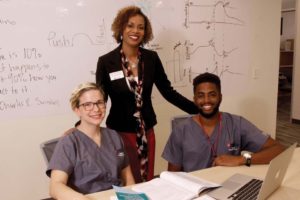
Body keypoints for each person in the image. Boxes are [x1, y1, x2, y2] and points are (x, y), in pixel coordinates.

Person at [96, 6, 198, 182]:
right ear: (121, 28)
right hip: (119, 133)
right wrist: (82, 126)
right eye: (130, 25)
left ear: (145, 31)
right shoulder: (106, 62)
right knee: (124, 180)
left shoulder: (151, 58)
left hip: (146, 131)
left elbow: (167, 91)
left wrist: (196, 110)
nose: (135, 31)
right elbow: (100, 99)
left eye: (141, 27)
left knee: (146, 178)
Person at [162, 72, 285, 172]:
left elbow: (278, 149)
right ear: (194, 99)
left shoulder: (237, 124)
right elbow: (173, 177)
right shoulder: (181, 130)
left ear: (220, 97)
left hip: (228, 187)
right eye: (201, 95)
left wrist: (241, 159)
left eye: (212, 95)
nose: (206, 100)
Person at [46, 82, 135, 200]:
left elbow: (128, 179)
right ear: (77, 110)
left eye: (100, 103)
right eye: (87, 104)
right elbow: (55, 187)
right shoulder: (69, 142)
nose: (96, 109)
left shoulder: (114, 136)